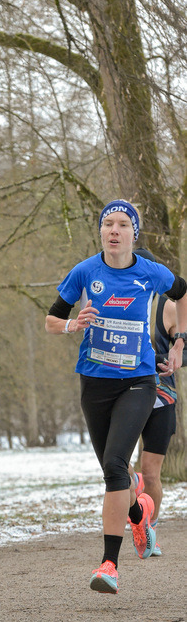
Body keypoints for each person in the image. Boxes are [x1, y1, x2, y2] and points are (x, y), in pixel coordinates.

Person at [45, 200, 187, 594]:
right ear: (101, 231)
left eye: (123, 224)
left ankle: (109, 565)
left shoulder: (151, 272)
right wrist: (74, 323)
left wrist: (179, 344)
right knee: (115, 475)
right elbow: (50, 320)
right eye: (108, 223)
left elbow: (184, 291)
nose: (114, 230)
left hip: (138, 382)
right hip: (94, 383)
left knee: (113, 464)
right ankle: (139, 515)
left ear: (133, 234)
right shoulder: (85, 271)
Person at [132, 246, 181, 556]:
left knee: (150, 473)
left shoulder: (168, 306)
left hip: (161, 397)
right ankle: (135, 517)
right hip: (123, 393)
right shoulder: (116, 301)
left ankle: (148, 532)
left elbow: (184, 349)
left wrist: (165, 357)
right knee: (120, 469)